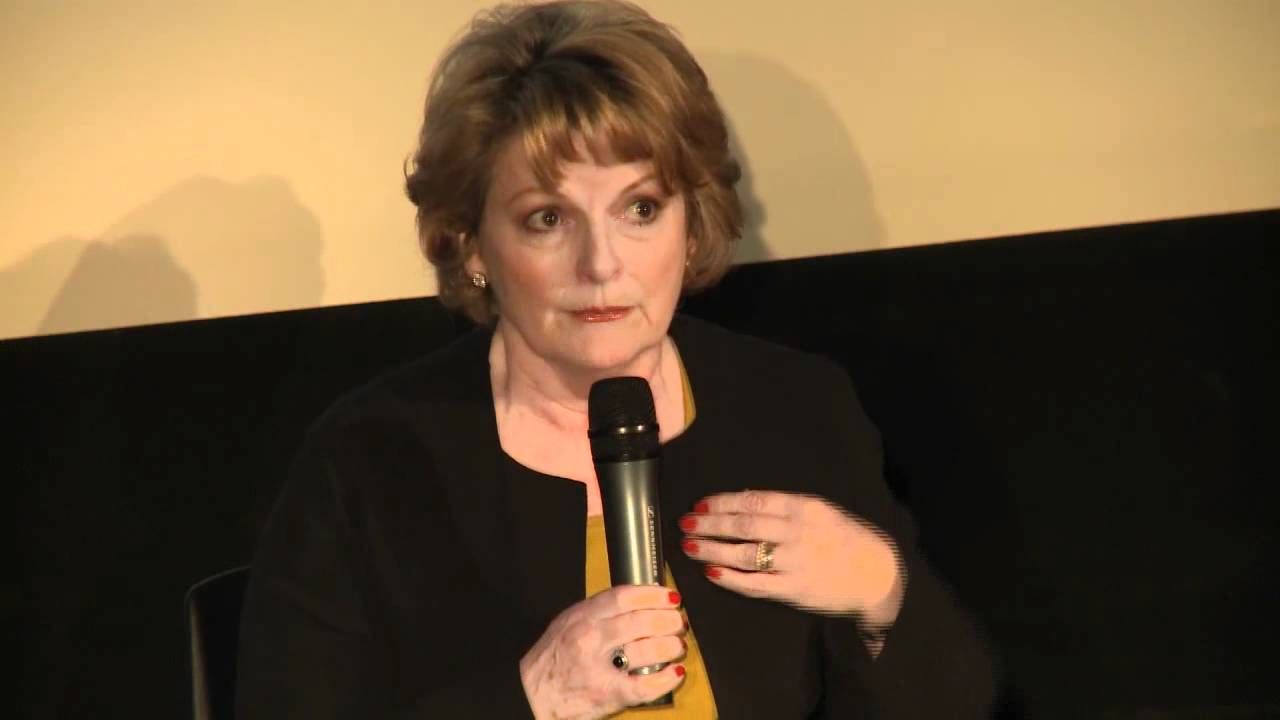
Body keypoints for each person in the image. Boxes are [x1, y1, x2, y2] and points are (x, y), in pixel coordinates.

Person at [235, 1, 996, 717]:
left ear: (692, 223)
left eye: (640, 209)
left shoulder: (795, 408)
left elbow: (961, 705)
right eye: (547, 218)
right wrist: (531, 698)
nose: (601, 264)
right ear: (471, 245)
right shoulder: (368, 461)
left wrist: (879, 589)